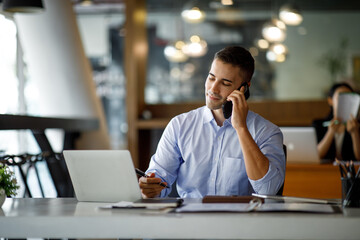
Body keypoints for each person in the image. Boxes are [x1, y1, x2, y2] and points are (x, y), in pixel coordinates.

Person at [139, 46, 286, 198]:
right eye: (211, 77)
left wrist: (241, 128)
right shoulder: (180, 126)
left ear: (244, 89)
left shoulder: (267, 132)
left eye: (226, 83)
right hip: (189, 218)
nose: (213, 89)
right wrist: (150, 187)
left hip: (240, 220)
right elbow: (159, 181)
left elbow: (268, 190)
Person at [313, 83, 360, 161]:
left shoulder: (357, 125)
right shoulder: (318, 125)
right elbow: (316, 155)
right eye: (340, 98)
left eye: (348, 98)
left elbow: (358, 157)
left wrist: (355, 133)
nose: (345, 102)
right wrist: (330, 132)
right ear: (330, 101)